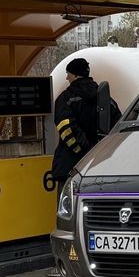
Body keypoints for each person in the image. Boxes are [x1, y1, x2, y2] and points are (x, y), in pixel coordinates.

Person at [51, 58, 102, 188]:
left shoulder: (65, 99)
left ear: (74, 75)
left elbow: (66, 129)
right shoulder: (104, 97)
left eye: (68, 73)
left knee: (68, 199)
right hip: (98, 167)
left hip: (70, 166)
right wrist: (96, 152)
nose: (67, 78)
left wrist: (85, 152)